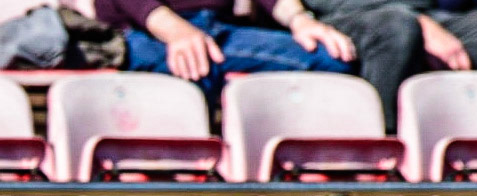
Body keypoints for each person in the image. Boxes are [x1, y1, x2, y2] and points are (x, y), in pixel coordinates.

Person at [299, 0, 477, 130]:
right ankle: (381, 169)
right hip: (344, 17)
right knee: (398, 30)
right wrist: (416, 22)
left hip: (431, 15)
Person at [96, 0, 360, 103]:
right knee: (192, 74)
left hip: (220, 29)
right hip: (138, 33)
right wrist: (176, 32)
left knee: (331, 58)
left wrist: (300, 19)